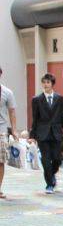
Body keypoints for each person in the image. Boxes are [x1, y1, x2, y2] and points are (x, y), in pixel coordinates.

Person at [30, 73, 63, 194]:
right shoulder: (37, 99)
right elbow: (35, 118)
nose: (45, 84)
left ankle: (51, 174)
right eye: (44, 82)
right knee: (46, 159)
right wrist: (32, 136)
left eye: (48, 82)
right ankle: (49, 184)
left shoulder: (59, 98)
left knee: (57, 159)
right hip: (42, 133)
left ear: (52, 84)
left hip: (56, 133)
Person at [0, 67, 18, 199]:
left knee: (0, 161)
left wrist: (14, 130)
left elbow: (12, 111)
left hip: (1, 131)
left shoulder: (7, 92)